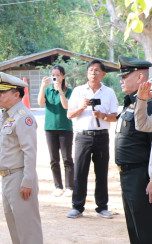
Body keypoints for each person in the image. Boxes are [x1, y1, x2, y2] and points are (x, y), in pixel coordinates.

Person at [0, 72, 43, 244]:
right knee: (15, 228)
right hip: (7, 178)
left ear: (16, 94)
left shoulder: (23, 117)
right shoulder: (5, 115)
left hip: (19, 176)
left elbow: (30, 151)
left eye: (2, 93)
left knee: (28, 230)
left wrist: (27, 180)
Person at [66, 60, 118, 219]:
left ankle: (102, 207)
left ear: (103, 74)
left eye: (97, 71)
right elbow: (69, 115)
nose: (93, 73)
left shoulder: (109, 92)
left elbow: (115, 117)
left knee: (101, 173)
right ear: (86, 73)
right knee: (80, 172)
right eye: (90, 70)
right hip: (83, 137)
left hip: (101, 136)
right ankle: (77, 207)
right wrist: (82, 107)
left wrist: (103, 116)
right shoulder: (78, 91)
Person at [116, 55, 152, 243]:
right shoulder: (130, 101)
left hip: (141, 176)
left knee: (145, 228)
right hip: (127, 176)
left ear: (139, 78)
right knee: (134, 227)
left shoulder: (149, 103)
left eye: (125, 76)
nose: (121, 80)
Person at [37, 65, 74, 197]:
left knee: (67, 159)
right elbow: (40, 102)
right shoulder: (47, 90)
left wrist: (60, 91)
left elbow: (66, 106)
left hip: (65, 128)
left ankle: (70, 187)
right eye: (54, 75)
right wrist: (42, 86)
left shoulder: (69, 91)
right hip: (50, 128)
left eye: (58, 75)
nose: (56, 77)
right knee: (54, 159)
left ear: (63, 76)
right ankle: (58, 186)